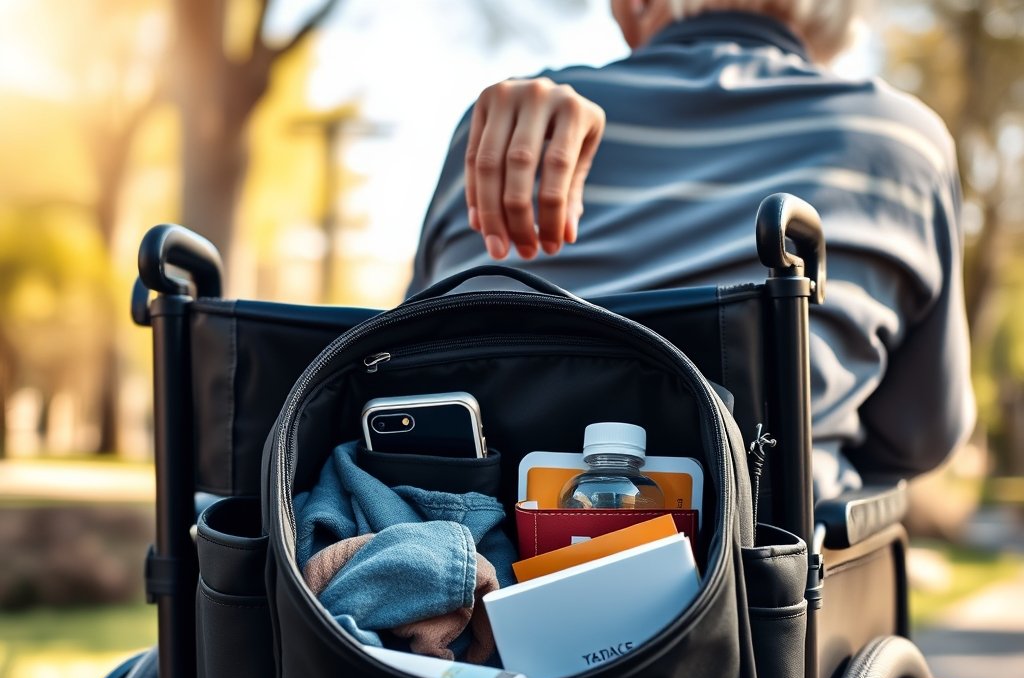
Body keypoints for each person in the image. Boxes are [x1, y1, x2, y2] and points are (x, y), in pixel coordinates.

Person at [407, 0, 975, 500]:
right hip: (763, 595)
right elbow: (921, 437)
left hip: (471, 567)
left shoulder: (499, 134)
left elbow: (398, 374)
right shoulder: (901, 143)